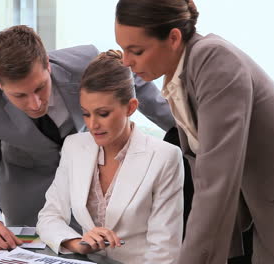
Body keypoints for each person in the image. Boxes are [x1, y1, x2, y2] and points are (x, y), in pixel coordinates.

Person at [0, 25, 175, 250]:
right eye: (20, 95)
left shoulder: (84, 62)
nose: (35, 104)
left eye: (40, 88)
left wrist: (185, 130)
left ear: (47, 64)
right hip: (28, 203)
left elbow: (127, 77)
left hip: (91, 192)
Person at [114, 0, 274, 263]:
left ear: (173, 38)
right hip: (263, 209)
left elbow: (215, 177)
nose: (127, 61)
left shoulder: (214, 60)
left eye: (136, 51)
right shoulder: (181, 74)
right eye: (123, 50)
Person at [36, 50, 184, 264]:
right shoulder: (74, 146)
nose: (92, 124)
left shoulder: (164, 157)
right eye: (86, 113)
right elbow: (49, 217)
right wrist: (77, 243)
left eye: (103, 114)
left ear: (130, 107)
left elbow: (164, 251)